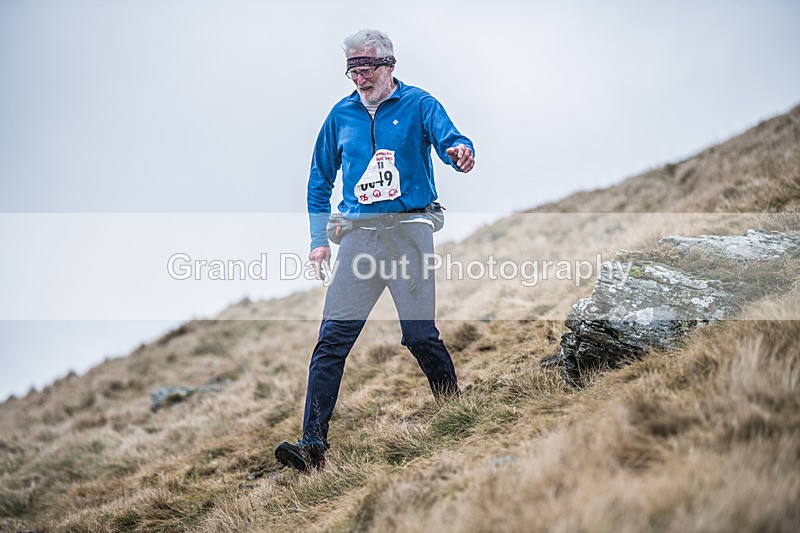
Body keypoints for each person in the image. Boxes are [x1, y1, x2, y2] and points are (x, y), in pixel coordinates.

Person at [275, 28, 475, 473]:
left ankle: (453, 406)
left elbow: (450, 138)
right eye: (352, 70)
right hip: (360, 238)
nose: (359, 78)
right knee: (331, 342)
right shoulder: (339, 117)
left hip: (409, 232)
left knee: (419, 335)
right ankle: (312, 446)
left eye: (366, 68)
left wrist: (460, 151)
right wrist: (316, 243)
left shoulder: (420, 103)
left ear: (389, 66)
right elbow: (317, 184)